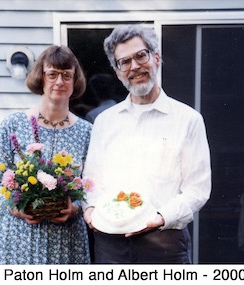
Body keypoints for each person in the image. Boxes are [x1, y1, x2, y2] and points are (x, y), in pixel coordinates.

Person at [83, 25, 211, 264]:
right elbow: (91, 181)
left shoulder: (188, 120)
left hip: (164, 244)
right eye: (124, 61)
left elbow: (198, 189)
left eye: (141, 55)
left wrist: (162, 217)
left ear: (156, 58)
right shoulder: (104, 122)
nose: (134, 66)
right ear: (117, 71)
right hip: (110, 245)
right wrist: (90, 210)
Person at [0, 45, 92, 264]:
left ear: (75, 80)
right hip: (17, 238)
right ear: (40, 78)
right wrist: (16, 208)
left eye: (67, 75)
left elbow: (94, 186)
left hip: (66, 241)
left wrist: (75, 209)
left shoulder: (87, 132)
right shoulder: (13, 125)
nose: (59, 82)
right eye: (52, 74)